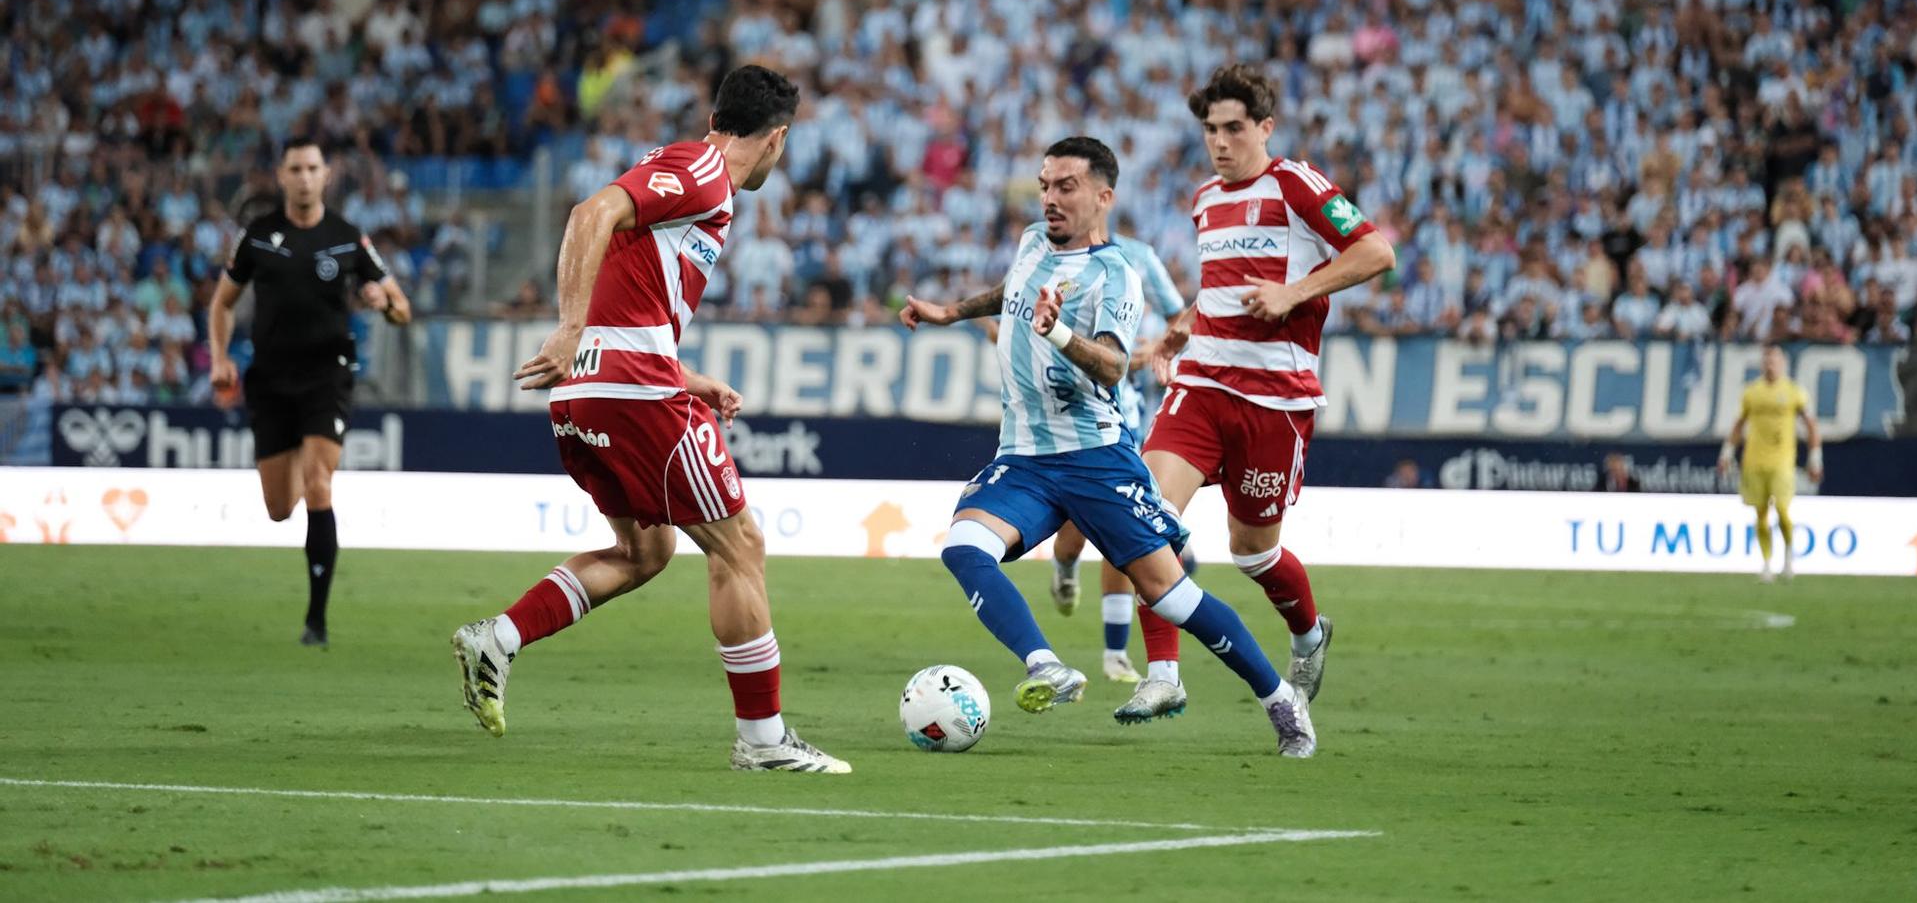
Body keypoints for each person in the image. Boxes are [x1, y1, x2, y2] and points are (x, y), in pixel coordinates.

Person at [449, 66, 849, 774]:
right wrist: (568, 326)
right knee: (740, 547)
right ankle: (763, 741)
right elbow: (588, 214)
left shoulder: (686, 180)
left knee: (646, 552)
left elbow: (627, 301)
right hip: (628, 391)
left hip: (588, 392)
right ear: (778, 139)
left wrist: (690, 379)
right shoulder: (704, 171)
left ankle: (499, 637)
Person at [901, 137, 1316, 757]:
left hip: (1096, 459)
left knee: (1173, 597)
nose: (1050, 198)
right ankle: (1046, 666)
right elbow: (1011, 290)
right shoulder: (1032, 243)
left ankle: (1281, 701)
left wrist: (1058, 333)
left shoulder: (1116, 274)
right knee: (964, 547)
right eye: (1045, 185)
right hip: (1024, 457)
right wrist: (951, 312)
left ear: (1103, 196)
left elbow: (1114, 365)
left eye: (1065, 186)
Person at [1121, 64, 1395, 725]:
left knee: (1253, 553)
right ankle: (1162, 676)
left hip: (1275, 399)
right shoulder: (1205, 198)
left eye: (1233, 128)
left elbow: (1377, 253)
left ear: (1265, 127)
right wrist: (1181, 325)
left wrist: (1295, 292)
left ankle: (1308, 634)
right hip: (1202, 384)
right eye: (1210, 129)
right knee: (1142, 517)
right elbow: (1223, 284)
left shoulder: (1296, 183)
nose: (1219, 141)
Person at [207, 138, 411, 647]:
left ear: (326, 175)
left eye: (312, 168)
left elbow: (402, 309)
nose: (304, 177)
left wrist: (382, 301)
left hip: (327, 376)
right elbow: (222, 304)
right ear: (281, 175)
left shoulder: (347, 237)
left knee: (319, 484)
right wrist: (219, 357)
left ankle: (316, 622)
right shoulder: (258, 236)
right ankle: (303, 450)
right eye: (295, 168)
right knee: (279, 507)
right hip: (271, 380)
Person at [1046, 224, 1188, 684]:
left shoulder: (1139, 256)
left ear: (1103, 197)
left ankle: (1115, 654)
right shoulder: (1050, 252)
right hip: (1071, 411)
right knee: (1072, 535)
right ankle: (1065, 564)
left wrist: (1157, 349)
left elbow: (1181, 317)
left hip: (1126, 414)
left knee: (1123, 529)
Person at [1717, 344, 1823, 582]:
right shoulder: (1752, 392)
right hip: (1754, 461)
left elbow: (1811, 425)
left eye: (1774, 360)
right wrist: (1726, 454)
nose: (1770, 365)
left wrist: (1815, 458)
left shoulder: (1794, 392)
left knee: (1783, 509)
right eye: (1767, 361)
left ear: (1783, 363)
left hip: (1782, 461)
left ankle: (1788, 557)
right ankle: (1766, 563)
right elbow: (1738, 425)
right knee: (1761, 514)